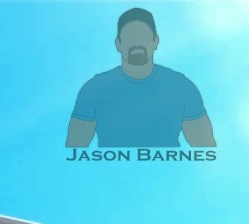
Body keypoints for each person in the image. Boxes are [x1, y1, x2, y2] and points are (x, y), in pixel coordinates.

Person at [67, 7, 214, 149]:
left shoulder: (182, 87)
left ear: (155, 41)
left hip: (168, 173)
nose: (137, 43)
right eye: (130, 37)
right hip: (111, 174)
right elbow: (73, 152)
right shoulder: (94, 89)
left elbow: (206, 149)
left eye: (143, 36)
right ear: (118, 44)